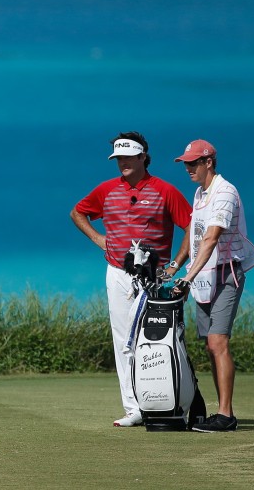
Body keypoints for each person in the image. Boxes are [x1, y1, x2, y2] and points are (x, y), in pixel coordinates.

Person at [70, 131, 192, 427]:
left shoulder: (165, 191)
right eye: (118, 158)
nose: (122, 162)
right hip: (117, 273)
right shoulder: (107, 190)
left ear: (142, 157)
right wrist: (100, 240)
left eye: (127, 157)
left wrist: (176, 265)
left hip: (155, 278)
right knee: (124, 340)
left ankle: (170, 401)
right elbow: (78, 212)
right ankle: (134, 407)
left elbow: (191, 225)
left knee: (163, 340)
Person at [172, 139, 254, 433]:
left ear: (209, 162)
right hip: (205, 275)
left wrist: (187, 277)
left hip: (225, 274)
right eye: (186, 163)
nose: (188, 168)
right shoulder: (200, 193)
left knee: (217, 342)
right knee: (210, 347)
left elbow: (211, 238)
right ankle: (223, 412)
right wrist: (177, 266)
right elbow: (196, 235)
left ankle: (226, 416)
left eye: (193, 163)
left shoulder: (225, 192)